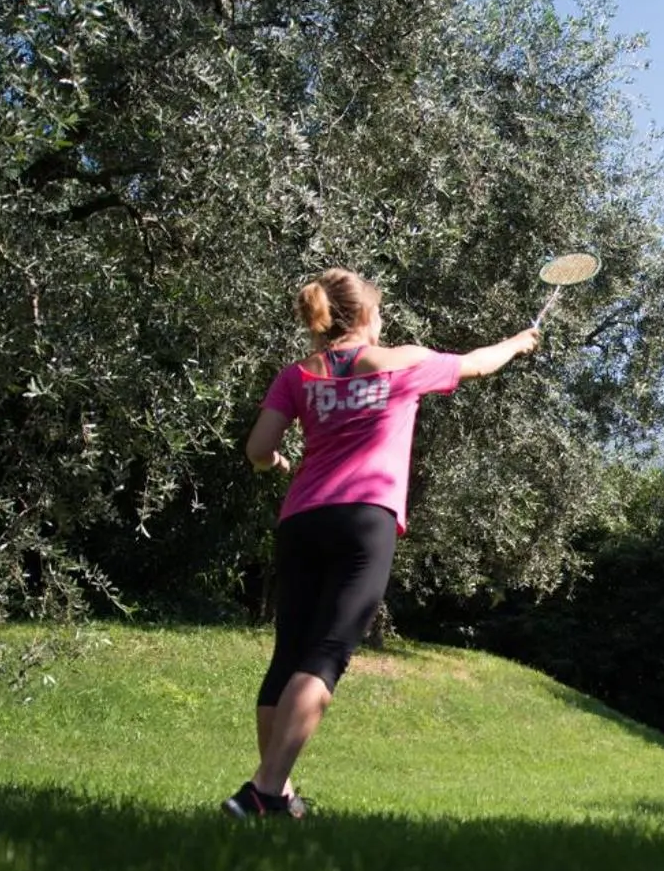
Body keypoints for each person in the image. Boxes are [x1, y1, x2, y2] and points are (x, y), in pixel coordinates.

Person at [224, 268, 539, 819]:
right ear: (367, 315)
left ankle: (278, 792)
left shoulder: (297, 375)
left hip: (301, 521)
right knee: (326, 654)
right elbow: (478, 362)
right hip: (365, 521)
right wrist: (517, 342)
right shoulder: (404, 363)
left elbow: (257, 449)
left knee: (288, 655)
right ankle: (265, 789)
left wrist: (277, 462)